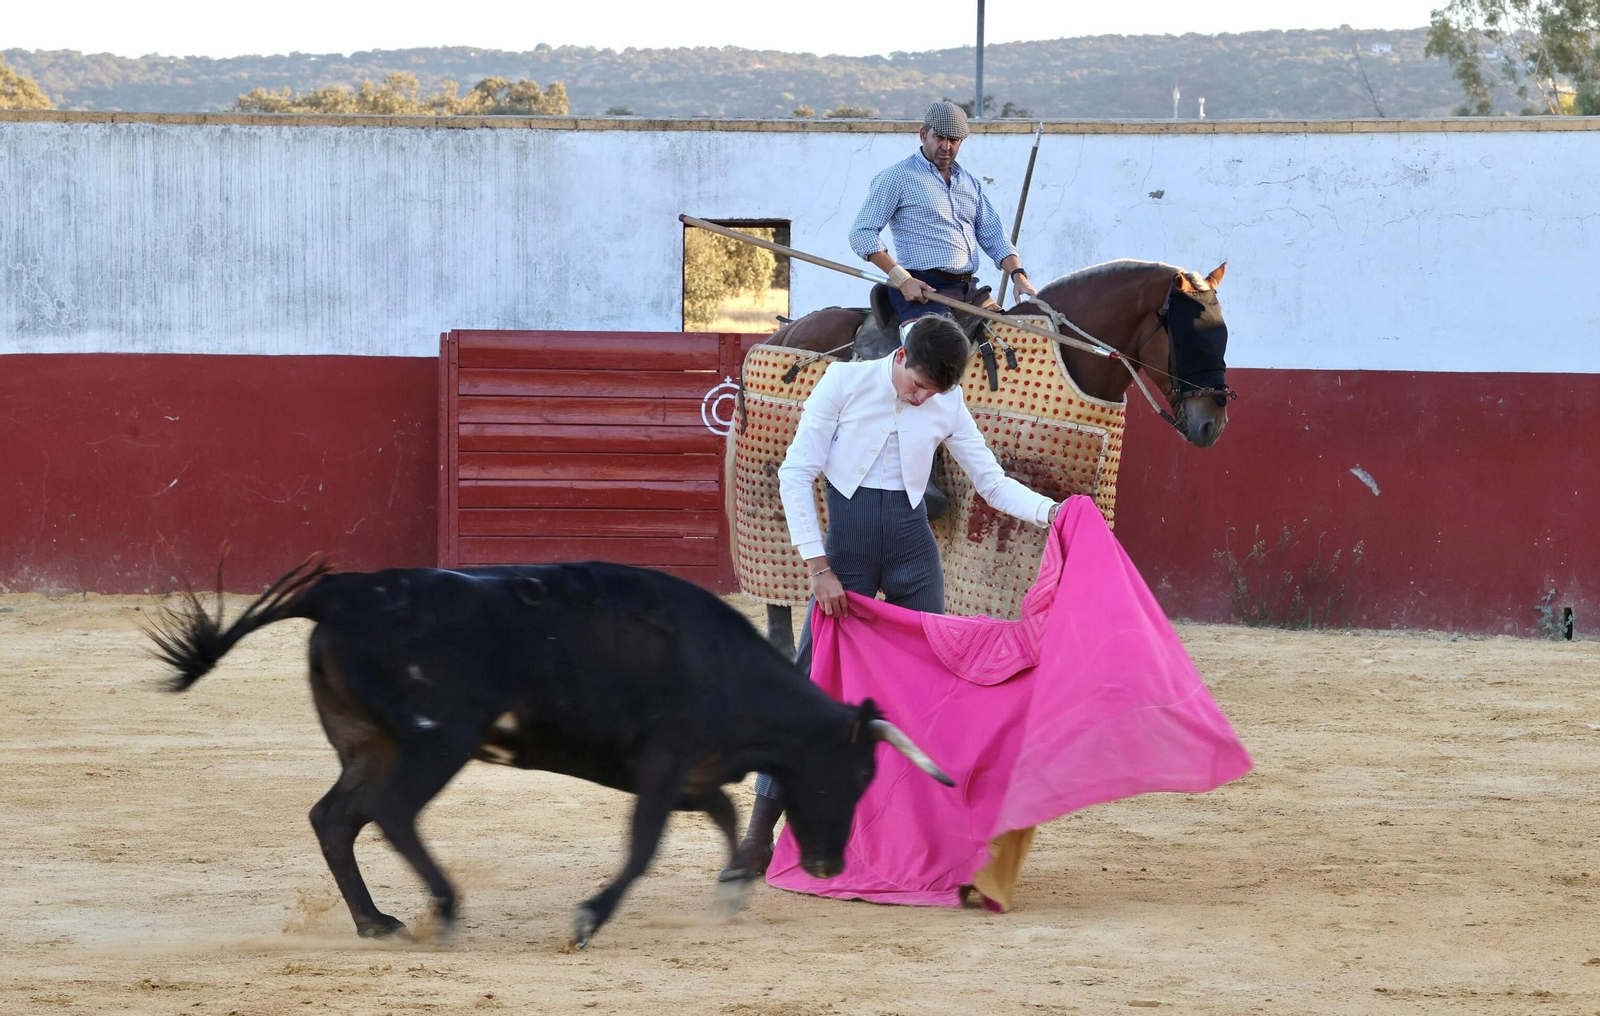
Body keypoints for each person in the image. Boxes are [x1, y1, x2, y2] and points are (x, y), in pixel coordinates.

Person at [725, 315, 1061, 879]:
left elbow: (992, 482)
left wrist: (1052, 513)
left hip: (912, 553)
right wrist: (819, 568)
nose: (924, 397)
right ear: (901, 356)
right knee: (810, 689)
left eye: (935, 392)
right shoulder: (842, 382)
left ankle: (925, 844)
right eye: (919, 385)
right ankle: (760, 836)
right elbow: (795, 472)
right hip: (846, 556)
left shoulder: (947, 403)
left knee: (932, 690)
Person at [848, 99, 1039, 340]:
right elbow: (862, 233)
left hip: (969, 291)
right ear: (923, 134)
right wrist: (902, 279)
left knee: (1013, 342)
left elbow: (994, 237)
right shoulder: (897, 177)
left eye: (954, 140)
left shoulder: (969, 183)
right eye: (939, 137)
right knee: (934, 359)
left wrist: (1018, 276)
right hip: (922, 291)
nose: (946, 146)